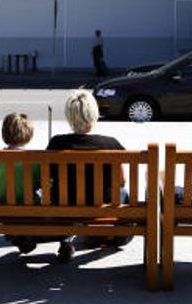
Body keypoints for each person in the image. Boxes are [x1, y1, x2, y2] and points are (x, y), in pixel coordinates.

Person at [44, 90, 130, 262]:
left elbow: (48, 179)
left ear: (69, 115)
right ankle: (113, 235)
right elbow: (121, 181)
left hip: (64, 205)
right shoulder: (111, 144)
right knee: (124, 193)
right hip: (102, 205)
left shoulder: (57, 143)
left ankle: (70, 236)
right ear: (94, 114)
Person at [0, 113, 45, 254]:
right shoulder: (34, 160)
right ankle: (27, 234)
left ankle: (18, 234)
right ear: (29, 134)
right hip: (31, 208)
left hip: (4, 207)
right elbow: (40, 184)